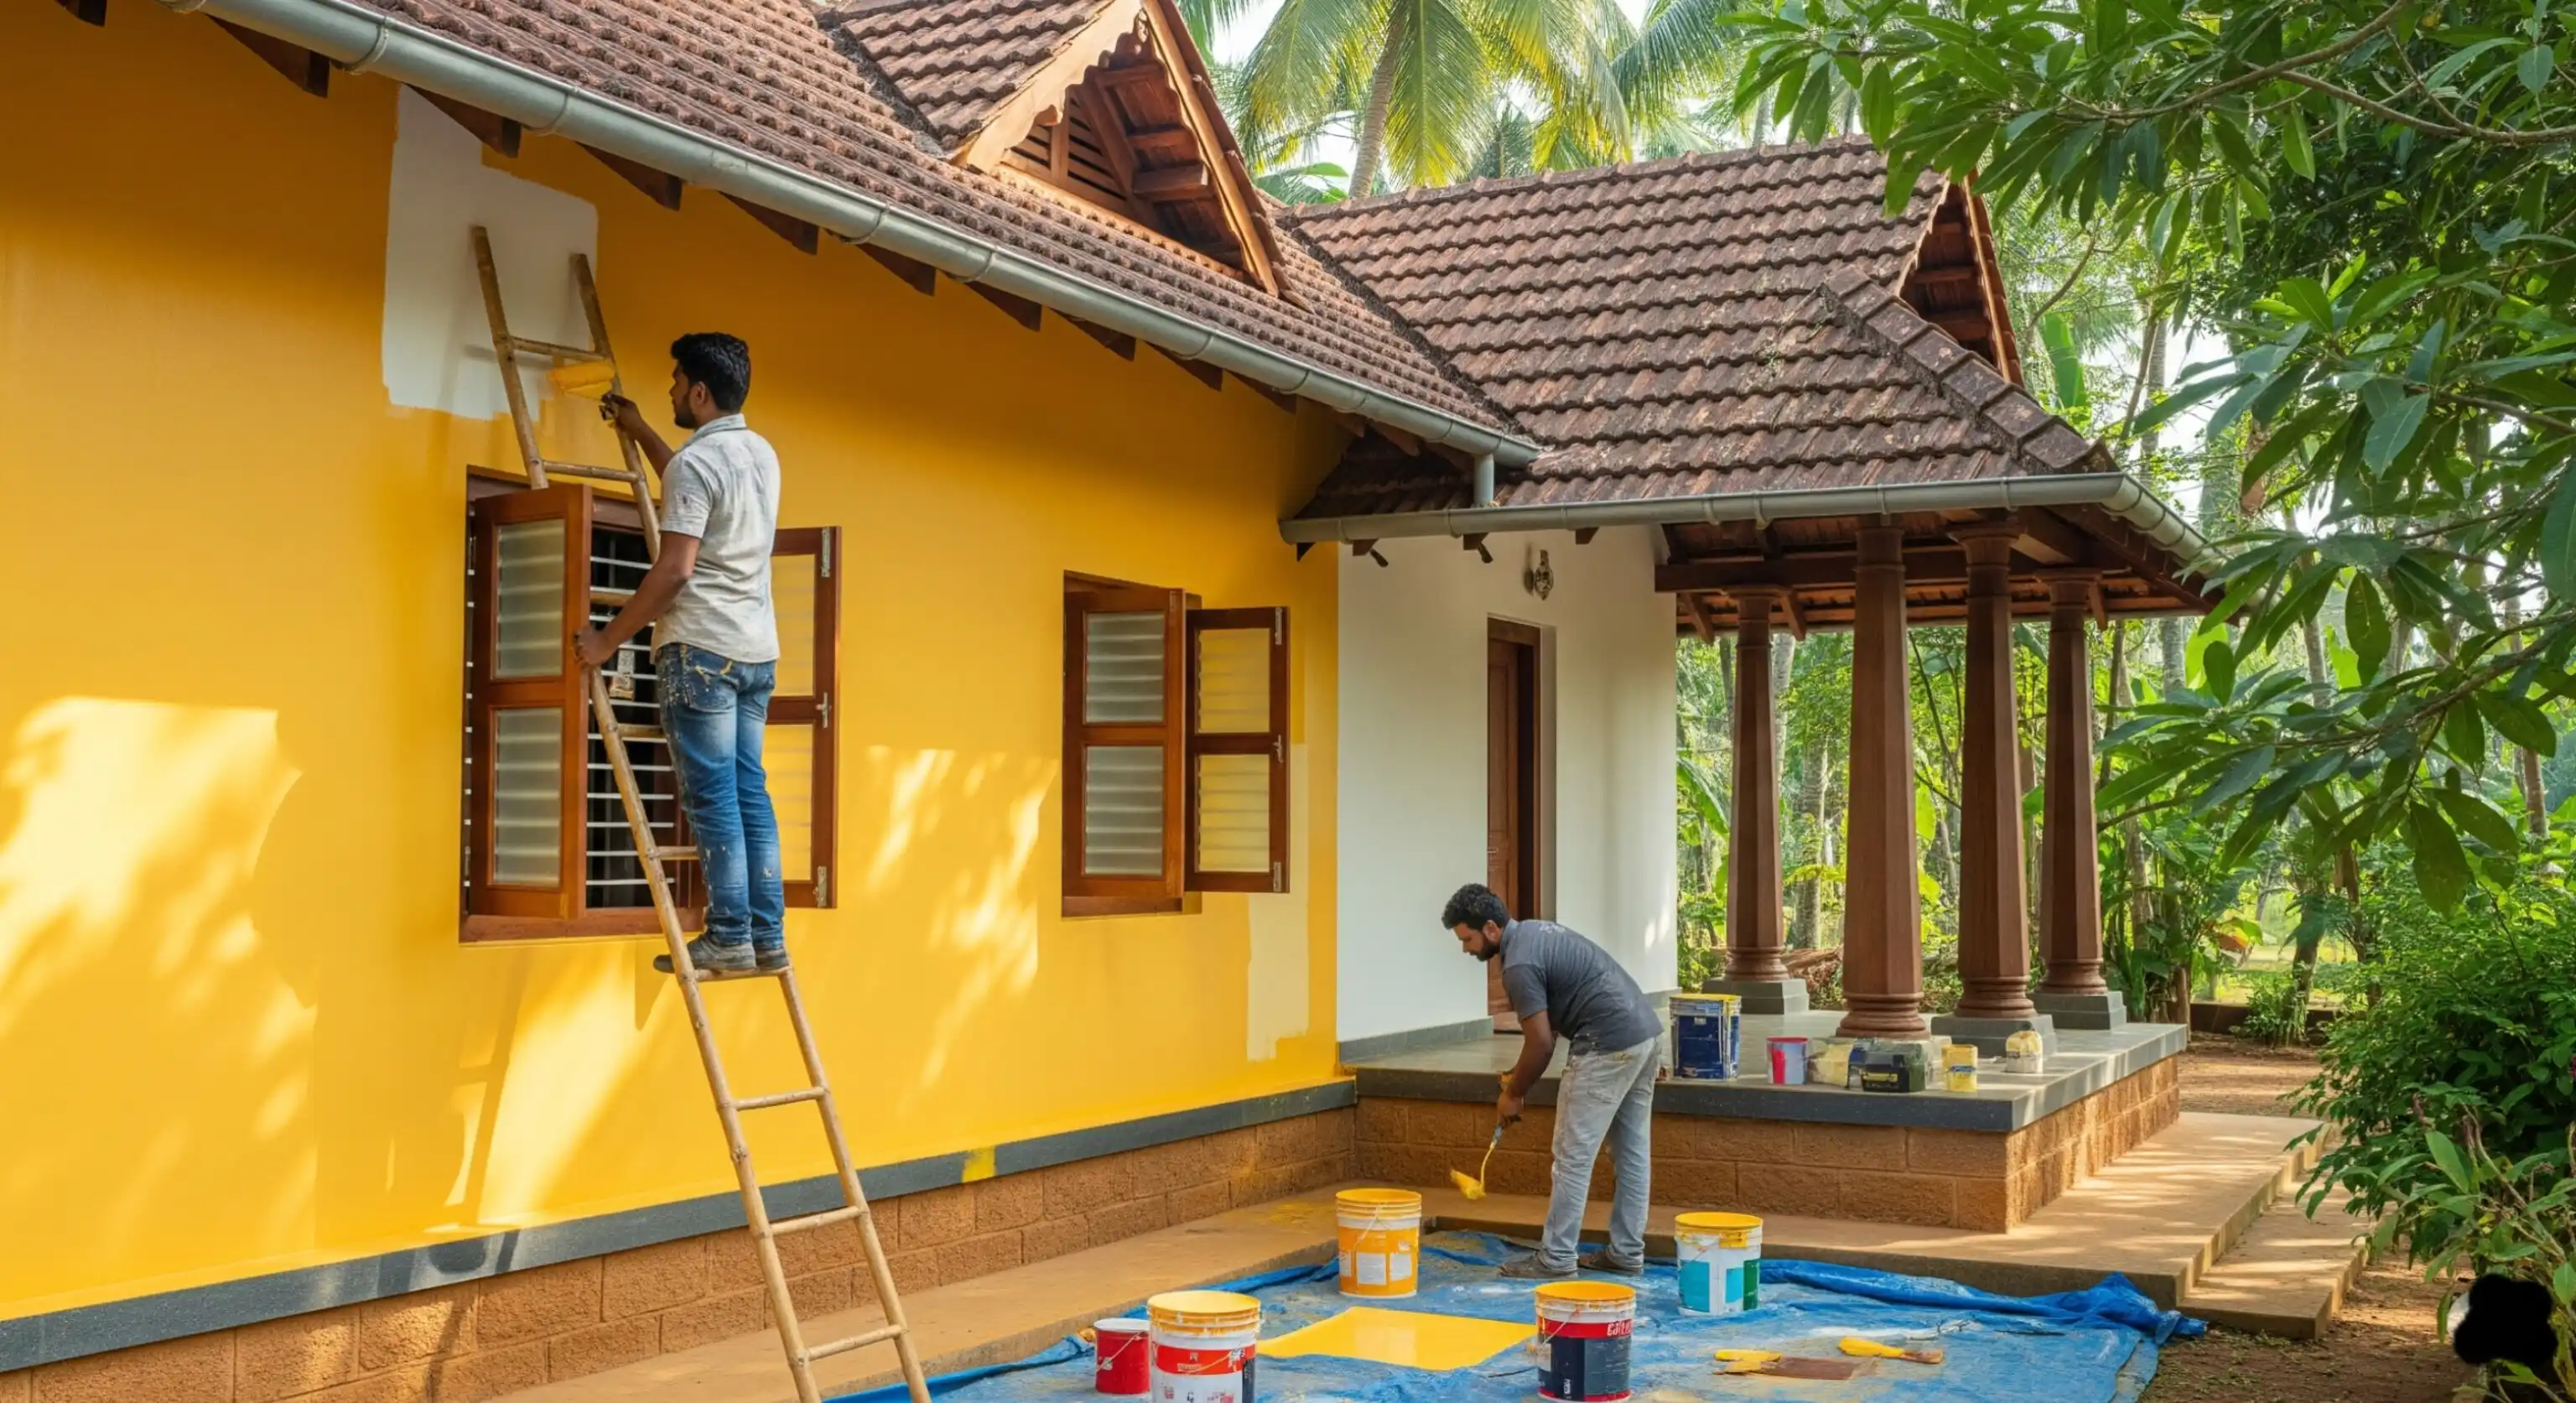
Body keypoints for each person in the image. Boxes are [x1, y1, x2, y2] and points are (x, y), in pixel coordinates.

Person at [575, 332, 787, 976]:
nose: (668, 390)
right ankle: (765, 934)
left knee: (714, 796)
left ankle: (726, 935)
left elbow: (675, 571)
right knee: (750, 791)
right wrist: (640, 430)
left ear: (699, 391)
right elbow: (694, 487)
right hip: (756, 652)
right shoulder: (761, 455)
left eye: (674, 382)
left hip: (702, 653)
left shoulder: (700, 465)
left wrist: (607, 642)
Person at [1445, 883, 1663, 1280]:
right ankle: (1627, 1253)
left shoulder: (1518, 966)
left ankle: (1557, 1258)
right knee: (1632, 1153)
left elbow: (1542, 1043)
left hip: (1606, 1045)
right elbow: (1548, 1028)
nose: (1466, 950)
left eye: (1468, 939)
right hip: (1644, 1035)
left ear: (1491, 929)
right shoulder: (1535, 934)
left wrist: (1513, 1094)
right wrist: (1518, 1076)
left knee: (1572, 1157)